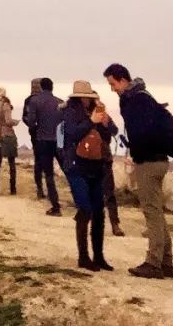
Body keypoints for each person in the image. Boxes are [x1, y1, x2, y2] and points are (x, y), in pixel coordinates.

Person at [104, 63, 173, 279]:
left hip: (149, 162)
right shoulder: (144, 97)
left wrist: (136, 153)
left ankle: (154, 263)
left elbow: (142, 133)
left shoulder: (136, 101)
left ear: (122, 79)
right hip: (158, 160)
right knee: (156, 212)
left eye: (112, 83)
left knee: (151, 212)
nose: (112, 89)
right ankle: (166, 262)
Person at [61, 81, 116, 272]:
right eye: (85, 97)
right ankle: (83, 257)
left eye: (90, 98)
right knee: (85, 209)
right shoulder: (69, 112)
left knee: (99, 212)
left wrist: (106, 123)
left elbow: (111, 134)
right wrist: (91, 121)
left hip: (96, 165)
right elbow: (72, 133)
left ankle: (99, 257)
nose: (87, 101)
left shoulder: (96, 110)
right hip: (76, 166)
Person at [29, 77, 63, 214]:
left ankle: (55, 206)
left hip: (43, 140)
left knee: (48, 173)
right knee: (67, 170)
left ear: (41, 87)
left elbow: (31, 121)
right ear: (52, 87)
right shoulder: (60, 102)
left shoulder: (34, 101)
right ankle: (80, 201)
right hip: (58, 140)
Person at [0, 86, 19, 196]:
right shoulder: (5, 104)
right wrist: (16, 122)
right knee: (11, 163)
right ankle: (13, 189)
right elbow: (8, 121)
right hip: (7, 136)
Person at [22, 77, 44, 198]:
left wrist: (32, 126)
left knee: (38, 161)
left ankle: (40, 188)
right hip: (48, 134)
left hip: (35, 134)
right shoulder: (49, 99)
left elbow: (25, 117)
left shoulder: (28, 100)